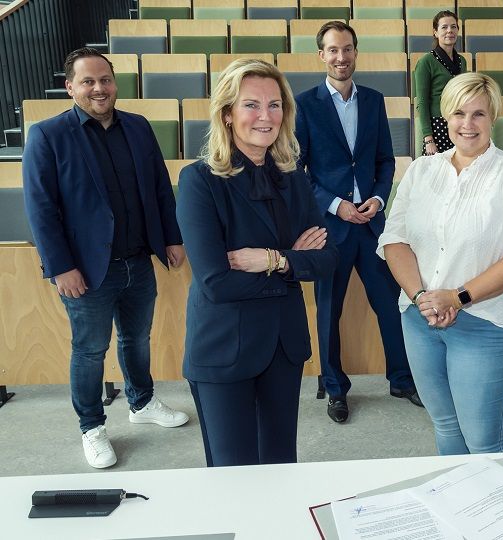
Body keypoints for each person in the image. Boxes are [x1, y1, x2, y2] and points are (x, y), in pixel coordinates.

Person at [22, 47, 189, 469]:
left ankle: (142, 403)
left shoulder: (137, 127)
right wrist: (60, 266)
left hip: (138, 260)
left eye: (105, 80)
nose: (99, 88)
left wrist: (171, 238)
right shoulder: (47, 135)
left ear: (115, 83)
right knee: (90, 350)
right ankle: (92, 427)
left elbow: (159, 189)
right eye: (88, 81)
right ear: (70, 87)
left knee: (137, 339)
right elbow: (41, 209)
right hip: (86, 271)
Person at [176, 59, 338, 467]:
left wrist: (272, 260)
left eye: (275, 105)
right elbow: (217, 282)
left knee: (281, 465)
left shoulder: (293, 177)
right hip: (224, 347)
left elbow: (327, 259)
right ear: (227, 114)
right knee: (234, 472)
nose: (265, 116)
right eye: (251, 105)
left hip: (283, 346)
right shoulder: (200, 181)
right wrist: (293, 264)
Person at [378, 73, 503, 455]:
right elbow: (394, 239)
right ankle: (456, 512)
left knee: (484, 441)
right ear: (445, 117)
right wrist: (423, 296)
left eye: (479, 114)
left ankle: (498, 514)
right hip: (419, 319)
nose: (467, 124)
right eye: (459, 113)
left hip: (485, 323)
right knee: (445, 427)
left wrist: (456, 297)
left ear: (493, 119)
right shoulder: (421, 171)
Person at [295, 21, 420, 424]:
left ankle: (401, 379)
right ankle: (334, 388)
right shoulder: (304, 104)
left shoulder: (373, 100)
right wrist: (335, 205)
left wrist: (379, 197)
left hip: (371, 224)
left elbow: (385, 159)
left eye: (347, 49)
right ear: (321, 55)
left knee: (391, 304)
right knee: (329, 312)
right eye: (333, 50)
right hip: (331, 228)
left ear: (355, 52)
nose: (341, 57)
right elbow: (298, 170)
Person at [414, 10, 467, 156]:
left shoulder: (462, 61)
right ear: (435, 32)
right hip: (437, 126)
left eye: (453, 26)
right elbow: (422, 102)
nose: (450, 31)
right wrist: (428, 139)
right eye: (444, 27)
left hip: (459, 123)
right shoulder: (426, 62)